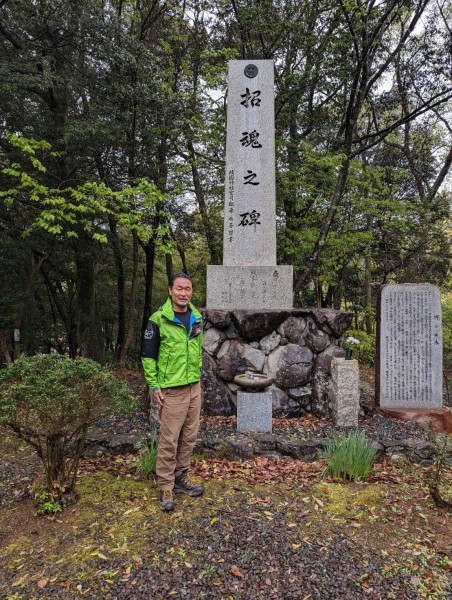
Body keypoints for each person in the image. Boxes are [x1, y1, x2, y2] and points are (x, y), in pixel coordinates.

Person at [141, 273, 204, 511]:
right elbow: (148, 356)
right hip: (171, 389)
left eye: (187, 289)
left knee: (189, 436)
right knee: (169, 439)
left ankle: (180, 478)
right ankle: (165, 485)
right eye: (179, 288)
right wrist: (154, 385)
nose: (183, 293)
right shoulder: (158, 319)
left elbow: (198, 350)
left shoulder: (197, 317)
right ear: (170, 291)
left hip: (193, 386)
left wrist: (198, 373)